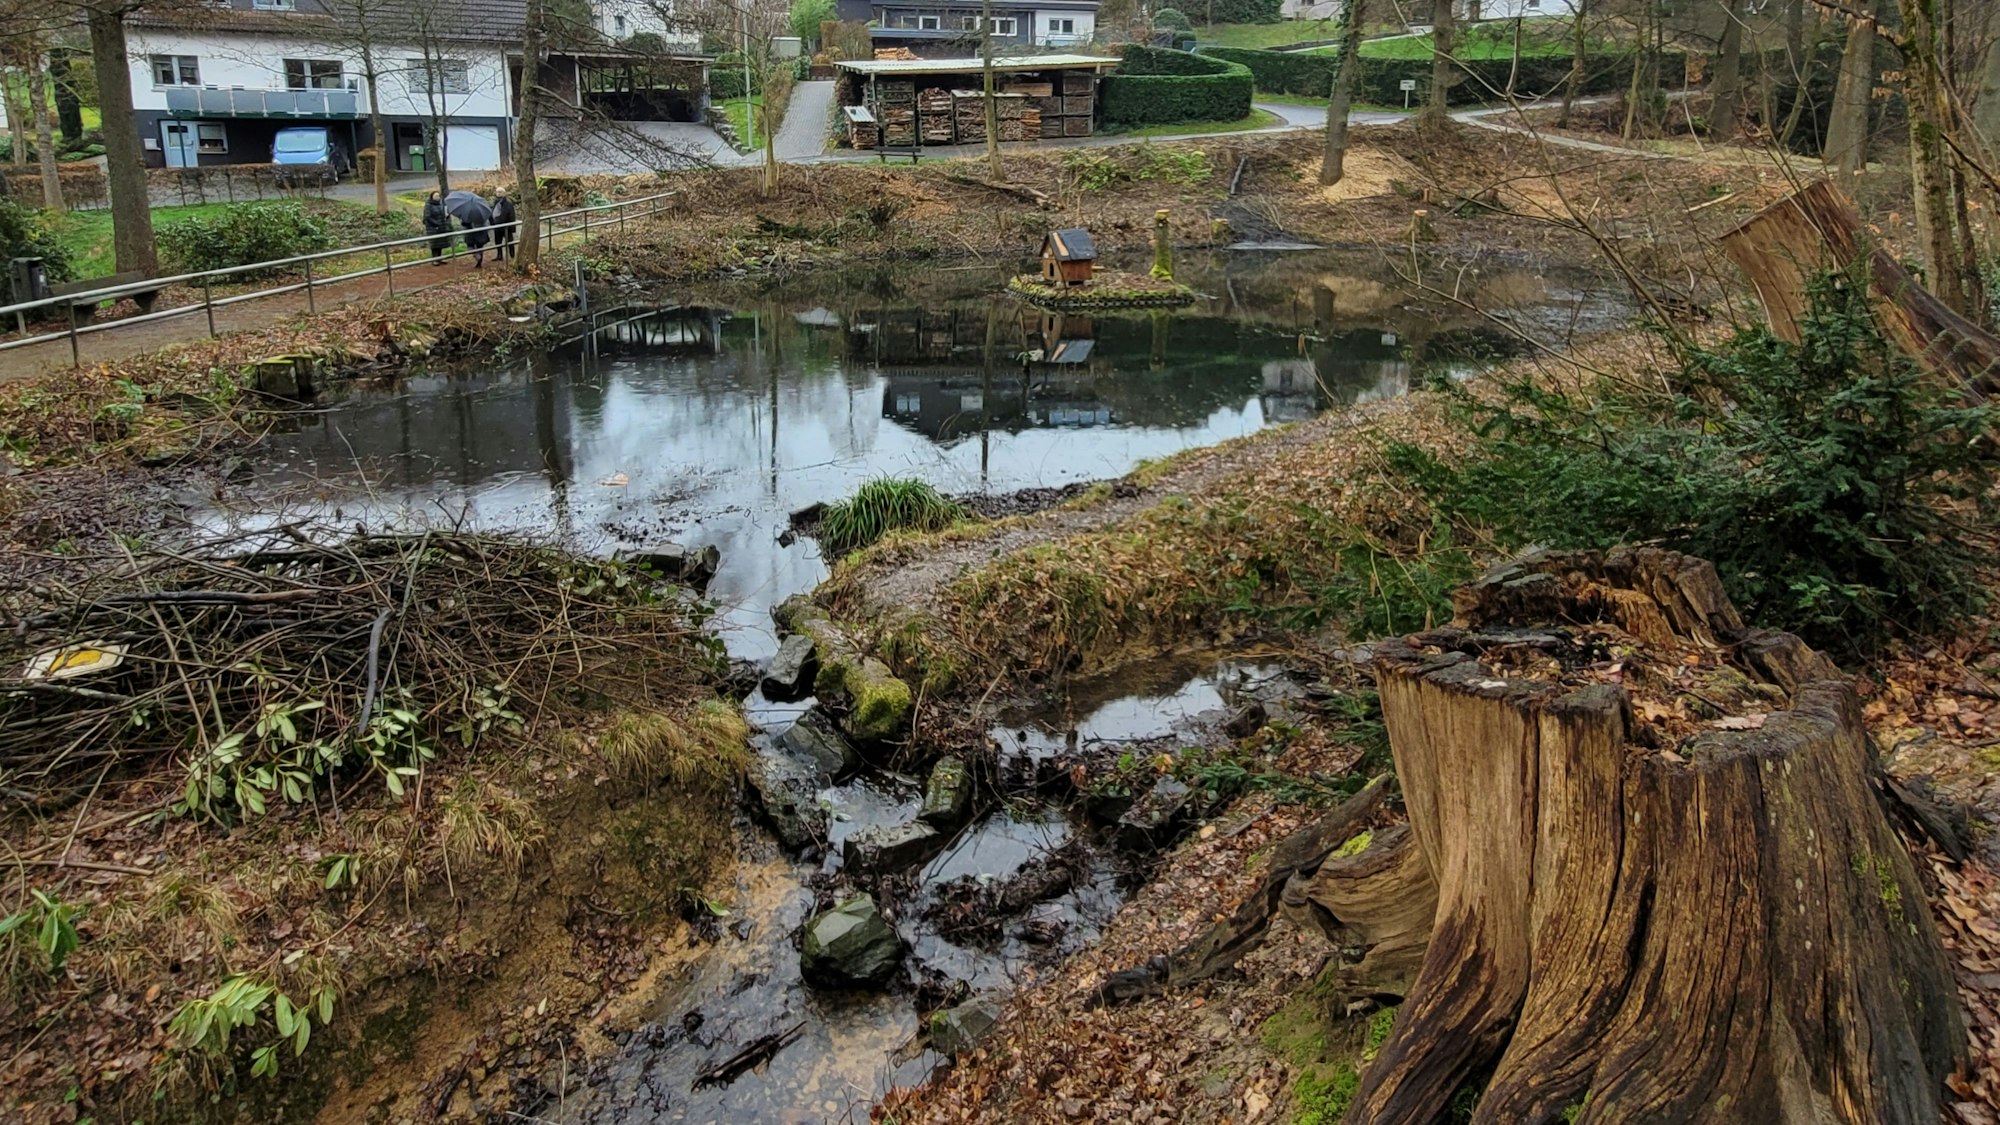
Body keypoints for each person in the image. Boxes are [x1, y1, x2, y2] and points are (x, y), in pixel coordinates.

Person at [422, 192, 452, 264]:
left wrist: (446, 216)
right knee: (434, 244)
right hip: (432, 228)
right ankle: (434, 259)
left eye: (438, 195)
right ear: (432, 196)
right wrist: (436, 224)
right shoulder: (428, 205)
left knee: (440, 243)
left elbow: (443, 214)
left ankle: (439, 258)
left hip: (441, 226)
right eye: (435, 196)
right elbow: (427, 217)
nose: (437, 197)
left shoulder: (441, 204)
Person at [492, 190, 518, 264]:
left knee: (510, 242)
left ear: (504, 193)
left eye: (500, 192)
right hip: (497, 225)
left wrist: (512, 227)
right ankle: (499, 255)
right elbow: (493, 212)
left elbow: (510, 215)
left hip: (506, 226)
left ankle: (512, 256)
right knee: (498, 241)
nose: (498, 193)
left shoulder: (508, 204)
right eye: (497, 192)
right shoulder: (496, 202)